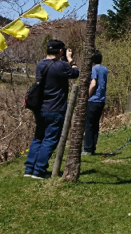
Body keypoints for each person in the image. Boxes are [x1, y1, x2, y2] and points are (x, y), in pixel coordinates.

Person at [24, 39, 80, 178]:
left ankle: (29, 169)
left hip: (39, 108)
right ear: (60, 51)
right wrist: (71, 59)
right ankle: (39, 170)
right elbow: (75, 73)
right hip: (55, 108)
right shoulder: (61, 66)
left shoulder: (40, 64)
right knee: (50, 140)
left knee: (38, 138)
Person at [82, 51, 108, 155]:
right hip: (101, 100)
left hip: (93, 100)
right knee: (95, 124)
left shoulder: (94, 69)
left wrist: (87, 96)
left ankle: (87, 148)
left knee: (89, 125)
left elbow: (93, 84)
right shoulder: (104, 69)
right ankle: (93, 147)